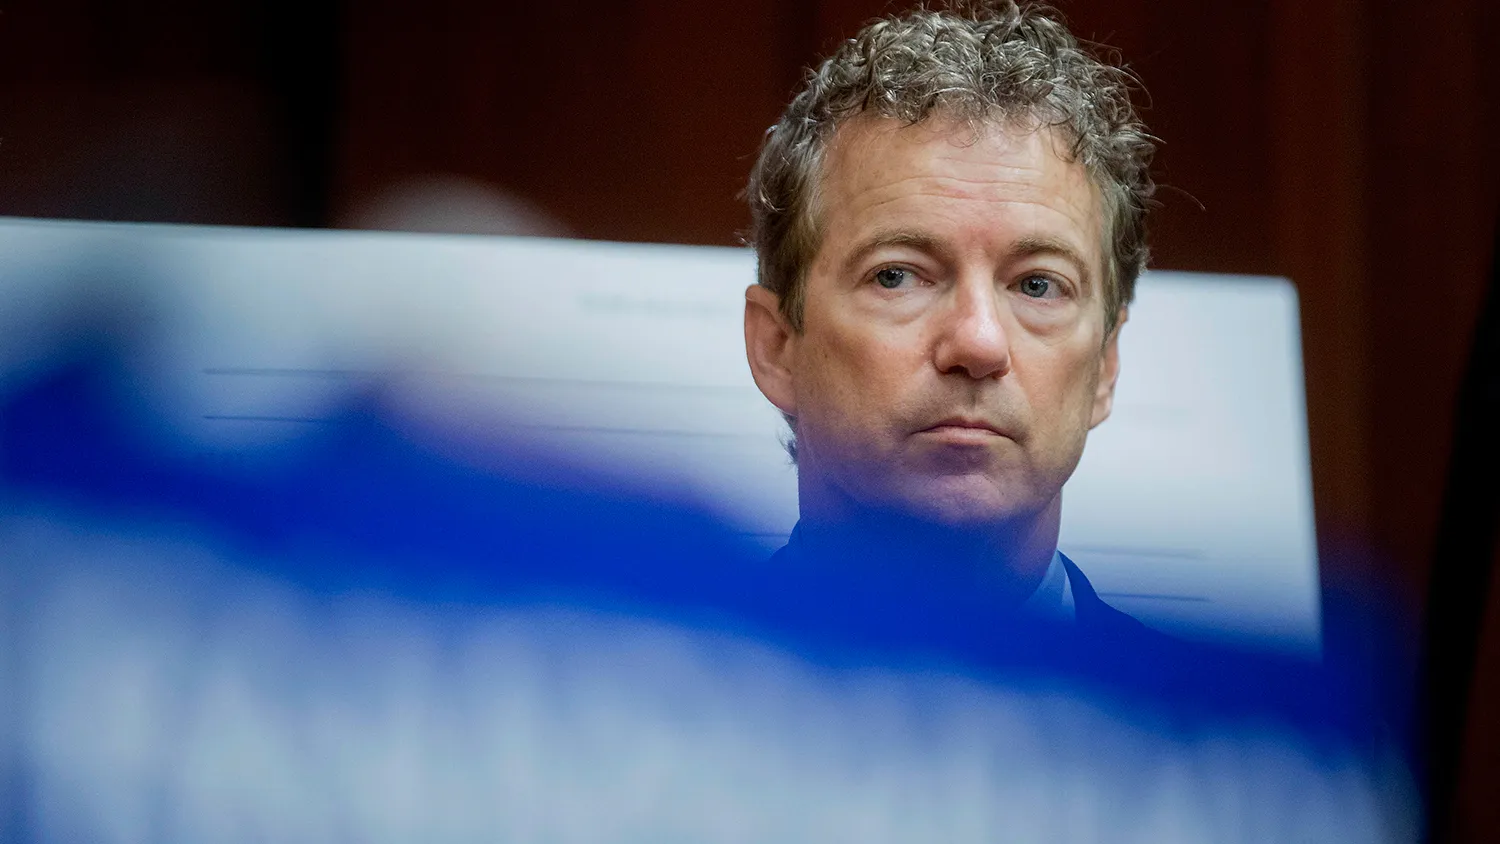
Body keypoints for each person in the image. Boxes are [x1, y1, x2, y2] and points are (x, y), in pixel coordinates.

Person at [742, 1, 1156, 636]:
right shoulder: (611, 714)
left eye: (1038, 285)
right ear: (776, 346)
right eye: (896, 275)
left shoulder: (1241, 734)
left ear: (1105, 366)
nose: (979, 342)